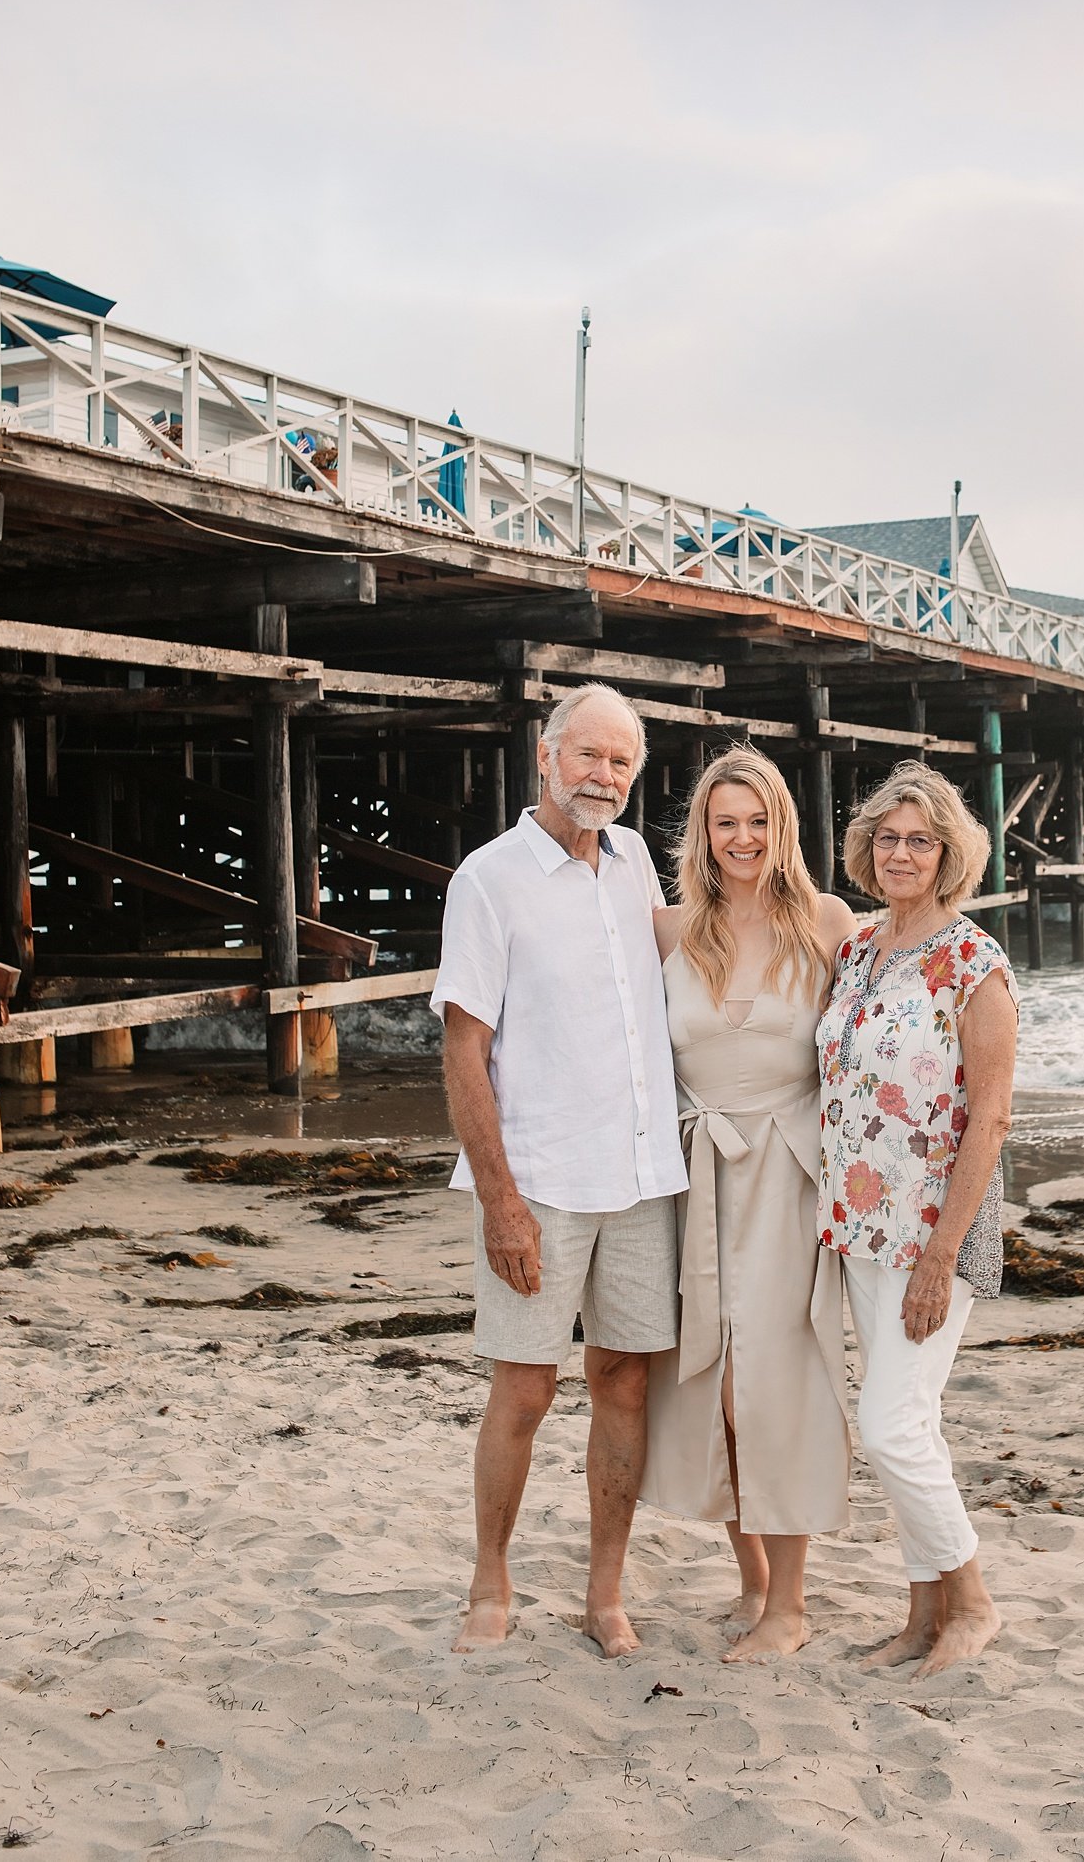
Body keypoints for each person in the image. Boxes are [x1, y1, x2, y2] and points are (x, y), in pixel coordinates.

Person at [432, 683, 687, 1659]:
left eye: (622, 762)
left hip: (640, 1172)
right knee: (525, 1390)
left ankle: (604, 1593)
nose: (605, 777)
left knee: (622, 1379)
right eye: (590, 756)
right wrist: (499, 1202)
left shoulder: (633, 865)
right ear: (546, 756)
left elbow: (701, 952)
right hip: (536, 1176)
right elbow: (463, 1053)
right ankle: (490, 1581)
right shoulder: (490, 879)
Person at [642, 749, 855, 1661]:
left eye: (758, 821)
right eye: (725, 822)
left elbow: (880, 1039)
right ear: (702, 832)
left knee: (772, 1383)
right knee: (716, 1389)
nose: (742, 839)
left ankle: (792, 1607)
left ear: (783, 829)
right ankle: (753, 1581)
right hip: (697, 1179)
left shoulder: (828, 922)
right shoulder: (668, 928)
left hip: (790, 1177)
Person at [816, 762, 1018, 1677]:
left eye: (921, 840)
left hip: (934, 1232)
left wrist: (943, 1256)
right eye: (888, 838)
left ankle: (971, 1603)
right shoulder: (859, 947)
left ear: (950, 855)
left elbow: (993, 1117)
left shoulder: (975, 962)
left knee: (891, 1424)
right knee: (914, 1423)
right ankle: (921, 1614)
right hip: (860, 1228)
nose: (902, 853)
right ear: (868, 849)